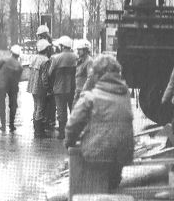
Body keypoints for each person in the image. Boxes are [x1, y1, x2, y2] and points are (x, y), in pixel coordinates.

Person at [65, 54, 134, 192]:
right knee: (112, 184)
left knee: (92, 185)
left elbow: (73, 124)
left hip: (96, 154)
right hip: (123, 153)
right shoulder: (125, 94)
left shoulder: (90, 96)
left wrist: (69, 142)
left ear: (98, 75)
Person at [48, 35, 77, 139]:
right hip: (72, 88)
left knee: (61, 111)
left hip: (59, 88)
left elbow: (49, 73)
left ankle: (62, 132)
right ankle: (74, 132)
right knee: (72, 109)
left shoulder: (56, 58)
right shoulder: (75, 57)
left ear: (62, 46)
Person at [0, 44, 23, 132]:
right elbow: (19, 78)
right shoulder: (19, 66)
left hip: (2, 85)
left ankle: (3, 125)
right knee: (13, 105)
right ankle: (12, 125)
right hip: (13, 86)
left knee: (1, 104)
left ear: (11, 52)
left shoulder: (5, 60)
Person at [27, 39, 52, 138]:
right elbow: (44, 77)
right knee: (40, 107)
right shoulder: (46, 60)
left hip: (33, 86)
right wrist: (48, 88)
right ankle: (39, 131)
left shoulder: (34, 58)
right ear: (46, 49)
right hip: (40, 87)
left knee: (36, 106)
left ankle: (36, 127)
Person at [37, 25, 56, 131]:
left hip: (47, 72)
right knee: (48, 98)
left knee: (48, 97)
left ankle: (47, 119)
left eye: (40, 35)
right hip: (48, 72)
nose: (39, 37)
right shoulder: (49, 44)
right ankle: (48, 119)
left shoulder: (47, 45)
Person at [73, 40, 93, 107]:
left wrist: (84, 90)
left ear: (85, 50)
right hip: (78, 90)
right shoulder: (80, 60)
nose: (78, 52)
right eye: (77, 50)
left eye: (80, 50)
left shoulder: (89, 61)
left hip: (83, 92)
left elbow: (90, 77)